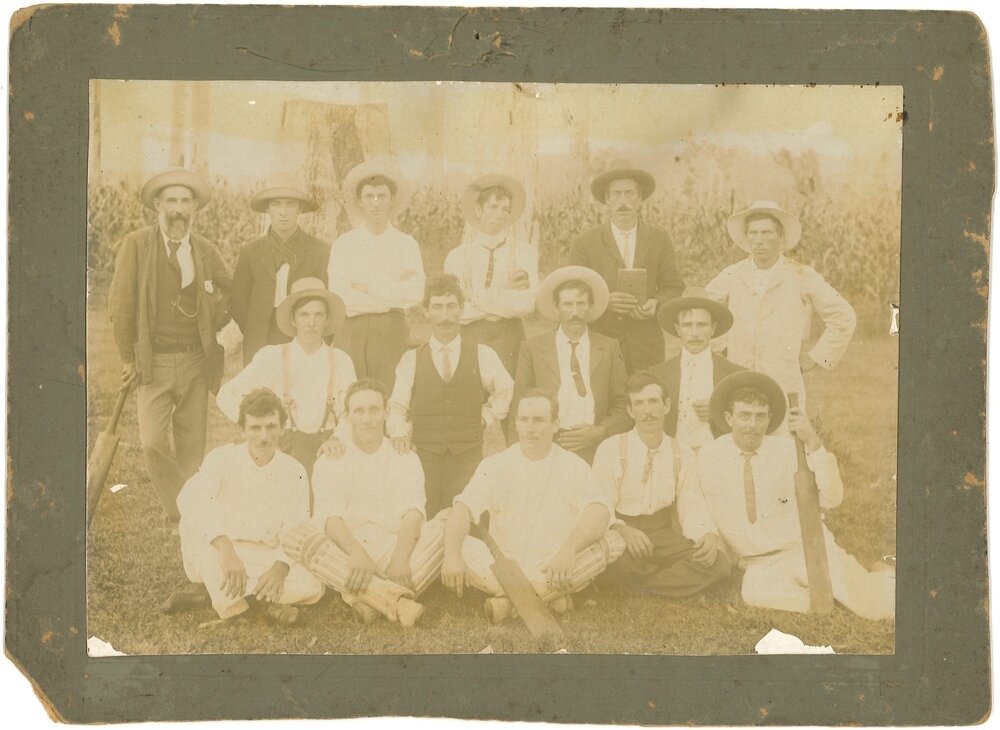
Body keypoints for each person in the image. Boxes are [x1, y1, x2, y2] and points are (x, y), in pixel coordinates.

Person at [694, 371, 895, 620]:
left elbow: (833, 498)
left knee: (879, 609)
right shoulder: (709, 456)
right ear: (728, 418)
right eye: (744, 415)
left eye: (760, 417)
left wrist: (811, 440)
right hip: (760, 563)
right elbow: (699, 503)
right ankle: (830, 592)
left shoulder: (789, 450)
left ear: (769, 420)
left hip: (805, 547)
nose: (752, 425)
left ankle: (879, 578)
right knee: (757, 595)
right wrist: (708, 533)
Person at [108, 167, 232, 532]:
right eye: (172, 201)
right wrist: (129, 358)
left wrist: (214, 312)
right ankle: (183, 507)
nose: (179, 209)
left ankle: (183, 517)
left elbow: (230, 289)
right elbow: (120, 304)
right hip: (155, 359)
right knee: (151, 442)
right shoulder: (136, 244)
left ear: (194, 207)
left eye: (185, 201)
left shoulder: (205, 250)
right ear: (158, 206)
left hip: (196, 358)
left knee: (193, 446)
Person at [441, 390, 625, 623]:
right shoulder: (496, 464)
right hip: (501, 570)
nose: (530, 428)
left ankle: (508, 604)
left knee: (614, 540)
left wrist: (568, 552)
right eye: (524, 420)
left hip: (554, 566)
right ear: (516, 423)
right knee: (447, 530)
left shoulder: (572, 465)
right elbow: (463, 508)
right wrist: (453, 556)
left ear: (555, 424)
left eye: (538, 420)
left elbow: (599, 511)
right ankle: (545, 598)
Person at [283, 379, 446, 627]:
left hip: (396, 549)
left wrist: (401, 558)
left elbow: (413, 512)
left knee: (447, 523)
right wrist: (358, 554)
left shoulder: (404, 456)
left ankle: (369, 600)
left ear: (386, 412)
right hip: (349, 553)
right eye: (359, 411)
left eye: (374, 409)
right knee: (296, 537)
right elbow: (331, 520)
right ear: (347, 417)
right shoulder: (331, 459)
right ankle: (396, 602)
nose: (367, 418)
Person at [163, 389, 325, 625]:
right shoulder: (222, 458)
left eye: (271, 427)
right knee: (193, 526)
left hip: (266, 556)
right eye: (255, 428)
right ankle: (247, 610)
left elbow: (296, 526)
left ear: (282, 428)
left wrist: (280, 567)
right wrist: (225, 549)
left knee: (312, 585)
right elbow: (191, 498)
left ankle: (217, 596)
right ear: (241, 430)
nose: (263, 437)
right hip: (223, 552)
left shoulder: (294, 470)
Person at [704, 200, 856, 411]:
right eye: (753, 233)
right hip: (739, 373)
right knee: (741, 432)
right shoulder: (733, 274)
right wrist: (721, 345)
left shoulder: (800, 274)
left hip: (783, 378)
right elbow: (705, 309)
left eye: (767, 233)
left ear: (780, 236)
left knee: (783, 437)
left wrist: (816, 357)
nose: (759, 240)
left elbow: (843, 315)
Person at [592, 373, 731, 598]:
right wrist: (621, 529)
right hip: (623, 530)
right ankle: (668, 583)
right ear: (630, 411)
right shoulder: (611, 449)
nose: (648, 411)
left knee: (719, 563)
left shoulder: (681, 452)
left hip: (661, 533)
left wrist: (707, 533)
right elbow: (600, 503)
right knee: (617, 564)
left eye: (653, 401)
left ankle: (641, 586)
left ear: (666, 405)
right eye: (639, 403)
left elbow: (691, 501)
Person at [387, 273, 513, 517]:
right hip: (425, 456)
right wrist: (399, 433)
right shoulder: (411, 359)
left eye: (451, 307)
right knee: (425, 517)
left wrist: (487, 418)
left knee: (468, 519)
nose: (444, 316)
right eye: (437, 307)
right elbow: (397, 407)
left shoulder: (482, 354)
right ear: (426, 311)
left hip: (468, 455)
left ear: (461, 309)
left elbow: (506, 390)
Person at [216, 278, 356, 480]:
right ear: (293, 319)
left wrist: (338, 437)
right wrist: (261, 428)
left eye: (318, 315)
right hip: (281, 451)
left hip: (328, 451)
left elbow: (351, 412)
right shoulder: (271, 357)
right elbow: (226, 395)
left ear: (327, 319)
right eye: (304, 315)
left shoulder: (341, 360)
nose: (311, 322)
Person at [568, 159, 685, 374]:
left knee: (647, 399)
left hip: (646, 345)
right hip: (601, 341)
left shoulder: (658, 239)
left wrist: (655, 303)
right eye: (616, 194)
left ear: (640, 198)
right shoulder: (585, 242)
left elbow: (674, 287)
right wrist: (603, 301)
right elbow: (572, 292)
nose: (623, 201)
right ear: (607, 199)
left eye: (630, 193)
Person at [510, 265, 630, 464]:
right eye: (567, 304)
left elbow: (623, 404)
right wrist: (517, 456)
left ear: (590, 306)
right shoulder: (533, 348)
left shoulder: (608, 347)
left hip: (597, 446)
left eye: (581, 303)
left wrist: (601, 431)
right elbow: (520, 404)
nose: (575, 312)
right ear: (556, 308)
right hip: (548, 445)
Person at [327, 160, 425, 390]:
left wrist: (366, 287)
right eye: (369, 196)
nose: (376, 203)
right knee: (350, 395)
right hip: (351, 331)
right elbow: (340, 296)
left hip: (392, 331)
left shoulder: (406, 244)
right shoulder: (344, 244)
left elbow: (415, 293)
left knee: (390, 395)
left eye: (381, 196)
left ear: (391, 200)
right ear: (360, 201)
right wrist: (392, 289)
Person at [443, 174, 539, 377]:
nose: (499, 215)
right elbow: (453, 309)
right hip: (470, 337)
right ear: (478, 210)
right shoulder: (457, 256)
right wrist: (504, 294)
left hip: (510, 339)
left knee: (510, 396)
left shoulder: (525, 253)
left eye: (505, 209)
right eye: (493, 207)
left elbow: (526, 304)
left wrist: (471, 295)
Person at [230, 174, 331, 365]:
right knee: (262, 392)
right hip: (261, 339)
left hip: (303, 338)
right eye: (276, 204)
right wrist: (256, 329)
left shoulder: (320, 251)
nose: (283, 212)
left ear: (300, 209)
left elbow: (328, 302)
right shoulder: (250, 251)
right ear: (268, 209)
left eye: (290, 204)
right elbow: (238, 303)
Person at [646, 287, 743, 456]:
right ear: (677, 329)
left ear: (713, 328)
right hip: (672, 456)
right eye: (687, 325)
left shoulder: (734, 374)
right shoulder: (657, 374)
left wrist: (717, 412)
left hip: (718, 456)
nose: (695, 333)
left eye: (702, 325)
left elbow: (746, 421)